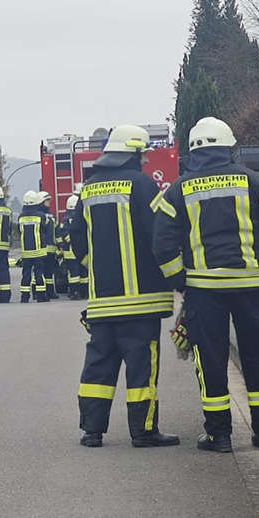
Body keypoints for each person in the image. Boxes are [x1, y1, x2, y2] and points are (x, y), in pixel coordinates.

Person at [154, 117, 259, 453]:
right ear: (229, 146)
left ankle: (220, 436)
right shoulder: (254, 181)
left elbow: (161, 243)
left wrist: (181, 282)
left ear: (193, 150)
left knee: (211, 360)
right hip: (253, 286)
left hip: (204, 290)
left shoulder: (178, 189)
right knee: (257, 358)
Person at [70, 126, 180, 448]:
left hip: (102, 303)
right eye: (142, 153)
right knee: (141, 369)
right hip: (141, 302)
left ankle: (92, 431)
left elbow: (77, 240)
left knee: (99, 366)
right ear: (132, 153)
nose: (145, 159)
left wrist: (99, 269)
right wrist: (175, 277)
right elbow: (160, 234)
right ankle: (143, 431)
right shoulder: (143, 185)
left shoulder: (88, 189)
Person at [15, 190, 52, 303]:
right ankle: (41, 296)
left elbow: (19, 231)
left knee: (26, 274)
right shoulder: (41, 216)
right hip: (39, 251)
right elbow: (46, 229)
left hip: (26, 252)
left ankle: (24, 297)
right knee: (39, 274)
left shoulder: (21, 217)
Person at [60, 192, 88, 300]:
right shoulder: (81, 217)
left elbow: (63, 233)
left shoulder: (65, 220)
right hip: (81, 251)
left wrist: (69, 241)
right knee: (83, 272)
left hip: (70, 253)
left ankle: (74, 293)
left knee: (73, 274)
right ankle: (85, 292)